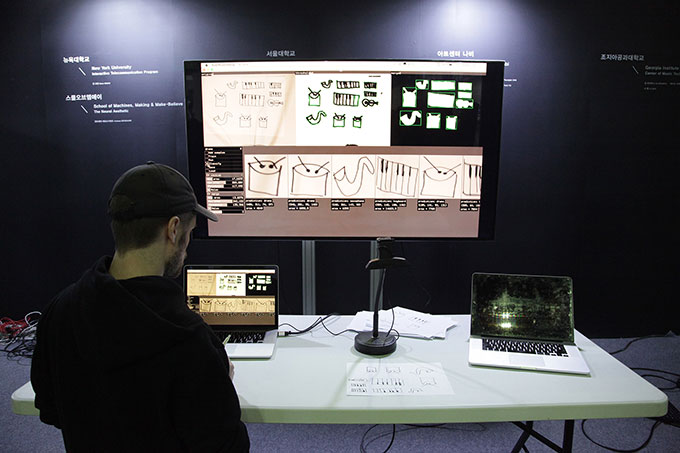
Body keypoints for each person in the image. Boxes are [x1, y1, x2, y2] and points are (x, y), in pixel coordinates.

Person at [31, 162, 250, 452]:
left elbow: (50, 410)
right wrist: (224, 383)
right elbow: (228, 446)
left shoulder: (60, 311)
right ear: (173, 230)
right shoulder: (190, 339)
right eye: (189, 233)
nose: (187, 247)